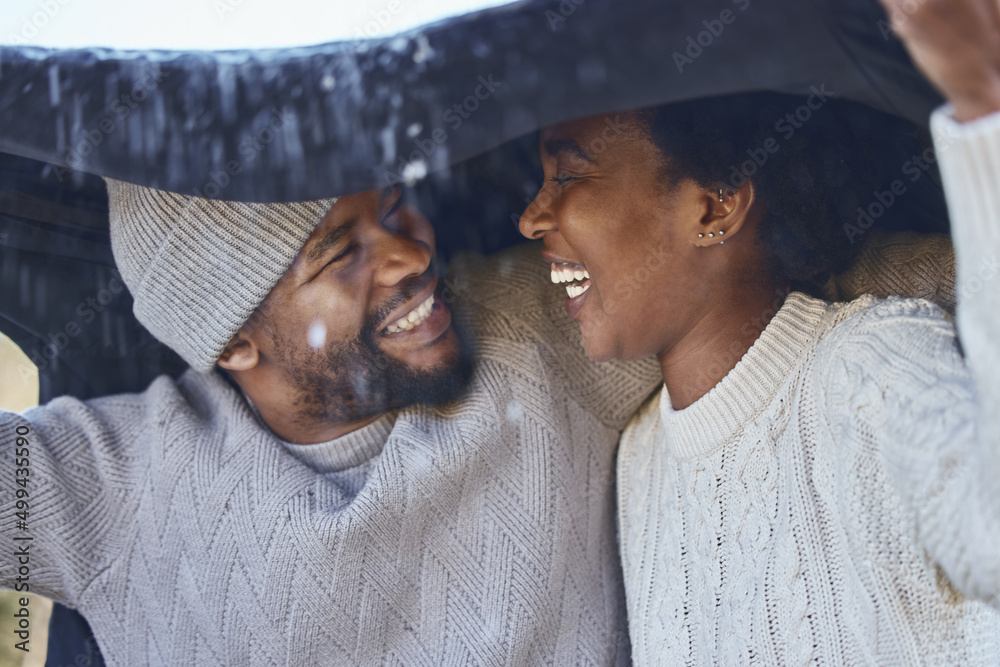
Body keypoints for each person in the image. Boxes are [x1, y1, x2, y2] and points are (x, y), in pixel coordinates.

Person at [0, 180, 663, 665]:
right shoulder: (122, 483)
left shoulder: (536, 325)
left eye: (395, 203)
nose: (411, 255)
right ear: (234, 343)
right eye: (342, 254)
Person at [518, 0, 1000, 663]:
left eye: (568, 173)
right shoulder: (638, 460)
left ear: (715, 204)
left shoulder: (870, 370)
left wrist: (982, 109)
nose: (532, 217)